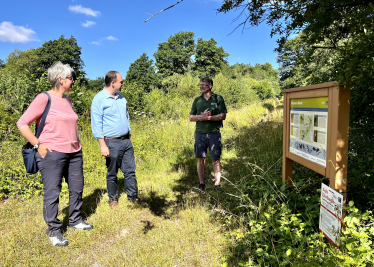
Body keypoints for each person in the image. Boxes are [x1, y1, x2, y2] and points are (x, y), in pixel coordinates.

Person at [17, 62, 93, 247]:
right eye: (70, 78)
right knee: (52, 193)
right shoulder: (44, 98)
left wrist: (77, 143)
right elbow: (22, 123)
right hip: (52, 153)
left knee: (77, 188)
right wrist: (38, 145)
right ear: (60, 79)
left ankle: (75, 220)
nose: (73, 81)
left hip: (74, 152)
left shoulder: (68, 100)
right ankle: (53, 230)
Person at [91, 71, 140, 209]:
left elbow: (126, 117)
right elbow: (96, 123)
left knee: (130, 171)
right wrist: (102, 145)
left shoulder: (121, 98)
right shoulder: (99, 99)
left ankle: (133, 197)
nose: (123, 83)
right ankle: (113, 200)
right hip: (111, 142)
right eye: (121, 81)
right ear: (113, 83)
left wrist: (129, 136)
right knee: (112, 172)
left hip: (126, 141)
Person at [189, 77, 227, 191]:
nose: (201, 86)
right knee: (201, 159)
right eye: (200, 84)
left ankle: (217, 183)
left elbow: (223, 116)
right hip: (200, 134)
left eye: (204, 85)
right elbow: (191, 117)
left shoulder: (218, 98)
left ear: (210, 86)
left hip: (214, 133)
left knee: (215, 159)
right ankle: (202, 183)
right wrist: (201, 117)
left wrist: (209, 118)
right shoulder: (197, 100)